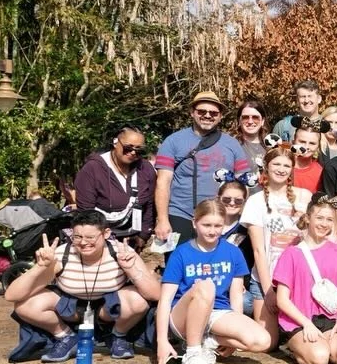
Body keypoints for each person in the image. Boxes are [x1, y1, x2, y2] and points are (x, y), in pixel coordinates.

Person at [7, 211, 160, 362]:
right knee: (24, 304)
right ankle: (65, 337)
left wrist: (130, 269)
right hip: (70, 308)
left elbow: (155, 294)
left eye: (90, 237)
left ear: (106, 233)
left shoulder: (122, 252)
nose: (83, 242)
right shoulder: (61, 255)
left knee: (138, 299)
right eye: (77, 237)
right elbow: (12, 296)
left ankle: (117, 335)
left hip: (109, 309)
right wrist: (40, 267)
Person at [155, 199, 270, 364]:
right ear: (194, 223)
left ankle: (207, 342)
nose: (212, 230)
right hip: (184, 314)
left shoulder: (233, 252)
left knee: (262, 341)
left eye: (218, 225)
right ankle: (193, 354)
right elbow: (165, 301)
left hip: (217, 313)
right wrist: (161, 340)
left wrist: (236, 333)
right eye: (206, 225)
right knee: (206, 286)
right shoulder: (181, 253)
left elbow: (236, 296)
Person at [271, 196, 337, 364]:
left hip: (331, 318)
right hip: (300, 320)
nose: (324, 224)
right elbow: (282, 300)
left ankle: (324, 343)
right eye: (319, 218)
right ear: (308, 218)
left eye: (329, 219)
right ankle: (292, 346)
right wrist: (305, 323)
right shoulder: (292, 254)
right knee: (319, 359)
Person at [153, 91, 250, 245]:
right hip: (180, 214)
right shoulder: (173, 141)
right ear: (192, 112)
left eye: (213, 112)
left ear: (220, 116)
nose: (207, 115)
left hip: (218, 218)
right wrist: (162, 219)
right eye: (202, 111)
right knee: (178, 263)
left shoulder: (232, 144)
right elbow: (163, 182)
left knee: (214, 265)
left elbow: (243, 184)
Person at [241, 146, 311, 343]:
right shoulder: (255, 202)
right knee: (267, 343)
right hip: (267, 277)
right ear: (266, 166)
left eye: (286, 165)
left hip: (297, 279)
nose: (281, 169)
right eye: (276, 164)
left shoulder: (304, 197)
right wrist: (268, 291)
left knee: (300, 336)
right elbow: (258, 250)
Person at [73, 124, 156, 248]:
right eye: (128, 148)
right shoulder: (92, 169)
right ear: (115, 143)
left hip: (131, 239)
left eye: (139, 150)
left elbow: (148, 205)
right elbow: (86, 212)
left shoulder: (145, 169)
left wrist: (143, 235)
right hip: (98, 238)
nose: (133, 152)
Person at [234, 97, 269, 175]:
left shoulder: (270, 147)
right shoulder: (232, 145)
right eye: (245, 117)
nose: (250, 121)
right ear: (239, 121)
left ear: (262, 121)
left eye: (255, 118)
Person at [289, 121, 326, 194]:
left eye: (312, 143)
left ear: (318, 146)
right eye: (302, 142)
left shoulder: (321, 172)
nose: (306, 147)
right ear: (293, 142)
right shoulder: (280, 165)